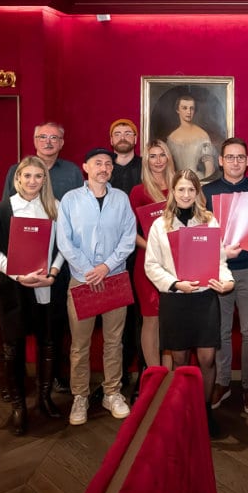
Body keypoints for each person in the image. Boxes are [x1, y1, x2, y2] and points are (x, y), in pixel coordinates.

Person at [144, 169, 235, 438]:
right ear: (173, 192)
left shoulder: (209, 220)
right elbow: (152, 265)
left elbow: (219, 261)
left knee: (207, 358)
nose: (185, 195)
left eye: (191, 190)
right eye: (181, 189)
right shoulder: (159, 225)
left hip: (205, 299)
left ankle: (205, 413)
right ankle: (183, 410)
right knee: (181, 360)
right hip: (175, 299)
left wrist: (227, 282)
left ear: (197, 192)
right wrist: (174, 284)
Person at [56, 148, 137, 426]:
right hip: (82, 279)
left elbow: (128, 237)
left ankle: (111, 392)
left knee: (114, 341)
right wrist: (89, 270)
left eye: (108, 164)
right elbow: (64, 240)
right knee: (80, 344)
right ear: (85, 167)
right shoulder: (71, 200)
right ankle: (80, 396)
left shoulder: (121, 199)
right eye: (97, 163)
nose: (104, 168)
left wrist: (106, 266)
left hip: (114, 278)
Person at [2, 121, 84, 395]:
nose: (48, 142)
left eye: (54, 138)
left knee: (54, 325)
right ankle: (15, 384)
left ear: (62, 143)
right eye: (42, 137)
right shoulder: (15, 169)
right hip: (20, 264)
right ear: (34, 140)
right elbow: (8, 217)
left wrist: (56, 268)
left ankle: (54, 378)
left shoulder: (72, 172)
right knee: (18, 326)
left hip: (57, 263)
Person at [0, 156, 65, 434]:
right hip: (14, 288)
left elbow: (63, 247)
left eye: (38, 176)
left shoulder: (55, 207)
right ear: (17, 178)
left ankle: (44, 399)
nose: (33, 181)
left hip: (46, 285)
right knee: (13, 348)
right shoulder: (4, 209)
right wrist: (18, 274)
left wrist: (53, 273)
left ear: (45, 180)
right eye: (27, 176)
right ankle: (18, 406)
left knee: (48, 343)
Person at [203, 138, 248, 415]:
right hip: (218, 271)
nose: (235, 162)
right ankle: (222, 382)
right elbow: (200, 233)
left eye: (240, 157)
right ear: (221, 161)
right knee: (220, 331)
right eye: (230, 157)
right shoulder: (207, 192)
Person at [129, 140, 176, 369]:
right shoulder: (139, 191)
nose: (158, 160)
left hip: (176, 263)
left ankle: (169, 374)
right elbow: (129, 231)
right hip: (148, 262)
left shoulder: (180, 186)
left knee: (171, 320)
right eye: (152, 156)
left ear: (169, 158)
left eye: (162, 155)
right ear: (146, 161)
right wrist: (151, 246)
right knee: (151, 320)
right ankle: (155, 374)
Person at [110, 118, 143, 396]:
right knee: (114, 317)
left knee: (140, 316)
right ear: (111, 140)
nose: (122, 137)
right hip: (109, 255)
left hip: (141, 250)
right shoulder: (102, 167)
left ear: (135, 138)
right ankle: (116, 377)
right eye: (117, 133)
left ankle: (144, 373)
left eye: (128, 133)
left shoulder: (147, 167)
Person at [166, 95, 216, 180]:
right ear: (177, 110)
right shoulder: (171, 138)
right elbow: (169, 169)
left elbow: (209, 169)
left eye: (191, 108)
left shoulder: (202, 135)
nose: (189, 112)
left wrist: (204, 185)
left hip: (198, 180)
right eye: (184, 108)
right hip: (178, 181)